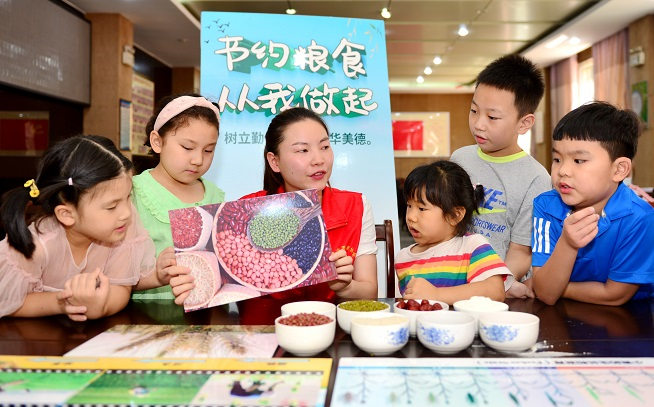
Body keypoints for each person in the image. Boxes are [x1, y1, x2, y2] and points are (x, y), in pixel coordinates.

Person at [172, 107, 378, 316]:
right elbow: (222, 286)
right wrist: (192, 283)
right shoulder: (245, 211)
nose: (318, 159)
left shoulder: (356, 205)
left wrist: (345, 287)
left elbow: (370, 291)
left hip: (328, 327)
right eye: (303, 150)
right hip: (260, 329)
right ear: (274, 161)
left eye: (324, 146)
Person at [0, 135, 179, 320]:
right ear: (67, 214)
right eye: (112, 206)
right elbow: (7, 301)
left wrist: (100, 307)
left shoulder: (120, 227)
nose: (126, 213)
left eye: (128, 197)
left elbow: (121, 287)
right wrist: (64, 303)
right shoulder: (37, 247)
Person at [532, 102, 654, 306]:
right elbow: (546, 294)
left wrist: (560, 288)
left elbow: (615, 295)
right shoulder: (546, 206)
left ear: (619, 170)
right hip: (561, 315)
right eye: (557, 159)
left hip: (628, 318)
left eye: (578, 161)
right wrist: (567, 243)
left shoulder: (639, 218)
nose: (563, 171)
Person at [450, 54, 551, 298]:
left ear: (524, 123)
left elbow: (521, 251)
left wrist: (495, 285)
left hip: (498, 290)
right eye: (474, 111)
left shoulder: (536, 179)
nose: (479, 124)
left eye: (492, 117)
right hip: (451, 280)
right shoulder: (460, 159)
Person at [131, 93, 225, 301]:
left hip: (208, 312)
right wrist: (155, 275)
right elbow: (111, 272)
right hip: (146, 312)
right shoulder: (131, 193)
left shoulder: (215, 195)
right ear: (157, 142)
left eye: (208, 150)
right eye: (187, 148)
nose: (198, 159)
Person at [397, 161, 512, 305]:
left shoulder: (473, 246)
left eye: (421, 209)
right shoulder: (403, 258)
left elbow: (496, 291)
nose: (411, 217)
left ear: (455, 216)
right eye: (409, 206)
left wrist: (436, 294)